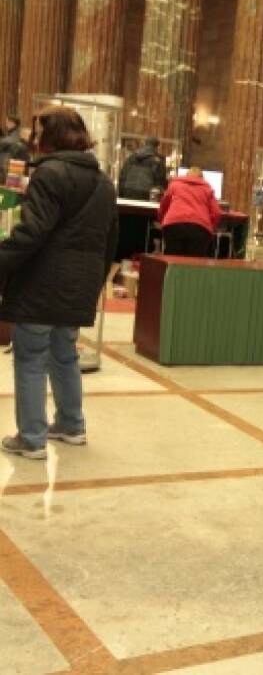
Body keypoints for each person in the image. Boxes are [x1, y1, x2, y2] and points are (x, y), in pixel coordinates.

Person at [0, 106, 118, 460]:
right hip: (79, 285)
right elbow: (111, 241)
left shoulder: (49, 174)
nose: (33, 140)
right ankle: (71, 424)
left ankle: (32, 438)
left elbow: (32, 232)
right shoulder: (103, 181)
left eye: (38, 133)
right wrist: (93, 281)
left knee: (31, 356)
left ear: (50, 136)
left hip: (42, 283)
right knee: (64, 354)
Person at [157, 167, 221, 257]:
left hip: (173, 226)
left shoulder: (174, 185)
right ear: (202, 178)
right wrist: (210, 227)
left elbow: (163, 206)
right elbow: (216, 213)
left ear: (186, 176)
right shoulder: (207, 189)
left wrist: (162, 221)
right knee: (194, 263)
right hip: (199, 229)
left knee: (172, 258)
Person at [118, 135, 167, 200]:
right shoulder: (158, 161)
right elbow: (160, 183)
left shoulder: (132, 157)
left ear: (144, 143)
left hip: (127, 193)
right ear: (157, 146)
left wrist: (120, 194)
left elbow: (122, 176)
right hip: (146, 196)